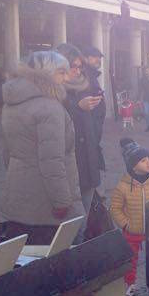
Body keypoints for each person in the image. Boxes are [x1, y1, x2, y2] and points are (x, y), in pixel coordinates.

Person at [0, 51, 81, 244]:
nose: (66, 78)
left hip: (17, 190)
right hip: (45, 200)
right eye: (61, 72)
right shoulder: (49, 108)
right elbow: (52, 161)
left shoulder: (12, 103)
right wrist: (62, 202)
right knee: (55, 253)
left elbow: (7, 151)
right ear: (47, 73)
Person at [110, 137, 149, 296]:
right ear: (133, 166)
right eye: (143, 160)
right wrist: (125, 224)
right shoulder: (122, 187)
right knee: (130, 259)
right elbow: (115, 208)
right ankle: (130, 284)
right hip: (132, 230)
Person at [56, 43, 106, 220]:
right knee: (72, 218)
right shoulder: (52, 91)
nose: (77, 71)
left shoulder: (86, 84)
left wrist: (95, 136)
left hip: (88, 154)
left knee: (85, 211)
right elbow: (55, 122)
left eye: (79, 67)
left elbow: (97, 115)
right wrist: (77, 108)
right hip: (68, 159)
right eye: (73, 67)